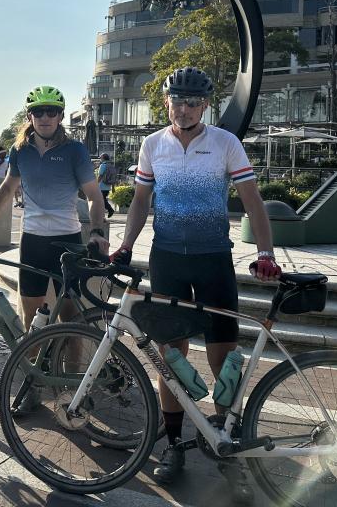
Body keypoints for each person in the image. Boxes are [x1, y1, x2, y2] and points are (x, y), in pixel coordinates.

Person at [109, 67, 280, 497]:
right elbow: (140, 202)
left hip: (213, 262)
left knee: (225, 357)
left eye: (192, 103)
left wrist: (265, 254)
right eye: (176, 102)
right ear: (165, 101)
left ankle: (226, 447)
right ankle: (174, 446)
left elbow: (252, 202)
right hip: (167, 259)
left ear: (205, 105)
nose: (183, 110)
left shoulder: (225, 143)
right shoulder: (152, 145)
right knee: (170, 359)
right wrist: (126, 245)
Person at [0, 85, 109, 334]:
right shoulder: (19, 150)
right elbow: (7, 189)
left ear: (60, 116)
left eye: (51, 111)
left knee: (71, 323)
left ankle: (72, 371)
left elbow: (93, 195)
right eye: (39, 112)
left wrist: (97, 231)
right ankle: (36, 371)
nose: (45, 117)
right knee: (31, 319)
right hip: (32, 241)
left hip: (67, 241)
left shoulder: (75, 151)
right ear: (30, 117)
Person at [96, 153, 116, 218]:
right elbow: (113, 178)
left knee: (101, 200)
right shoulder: (111, 166)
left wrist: (95, 184)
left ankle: (110, 210)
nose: (100, 159)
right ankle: (103, 214)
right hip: (108, 187)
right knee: (102, 200)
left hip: (101, 186)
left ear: (103, 158)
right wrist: (113, 187)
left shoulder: (103, 165)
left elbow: (100, 176)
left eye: (101, 158)